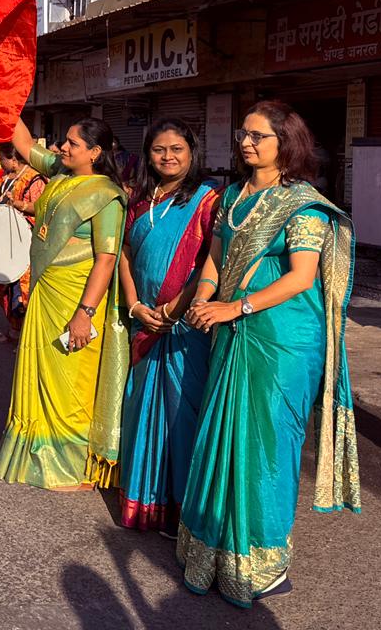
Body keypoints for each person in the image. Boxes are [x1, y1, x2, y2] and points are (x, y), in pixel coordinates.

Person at [179, 101, 358, 606]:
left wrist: (235, 307)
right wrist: (202, 296)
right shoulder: (233, 196)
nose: (246, 143)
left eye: (258, 135)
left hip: (282, 340)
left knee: (266, 449)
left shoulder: (302, 204)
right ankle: (213, 550)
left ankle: (263, 562)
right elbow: (215, 259)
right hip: (233, 330)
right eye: (243, 134)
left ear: (287, 143)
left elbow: (302, 276)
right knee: (222, 437)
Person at [0, 117, 127, 492]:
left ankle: (70, 466)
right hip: (47, 289)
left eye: (72, 143)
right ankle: (37, 455)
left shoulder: (105, 195)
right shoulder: (62, 173)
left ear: (95, 153)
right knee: (41, 373)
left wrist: (84, 314)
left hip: (76, 298)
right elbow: (21, 141)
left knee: (71, 380)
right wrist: (4, 96)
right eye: (64, 141)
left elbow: (106, 258)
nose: (62, 148)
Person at [116, 119, 220, 535]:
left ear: (192, 152)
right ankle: (148, 503)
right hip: (144, 321)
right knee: (142, 407)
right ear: (148, 155)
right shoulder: (140, 198)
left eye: (177, 149)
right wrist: (134, 303)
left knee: (182, 412)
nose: (168, 157)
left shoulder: (207, 200)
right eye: (159, 149)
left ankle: (183, 511)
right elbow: (123, 252)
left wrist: (177, 306)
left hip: (184, 327)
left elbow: (214, 260)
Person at [0, 142, 47, 342]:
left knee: (22, 290)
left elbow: (41, 207)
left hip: (26, 239)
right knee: (7, 286)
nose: (0, 163)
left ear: (14, 160)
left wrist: (18, 204)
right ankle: (13, 332)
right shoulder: (10, 177)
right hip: (9, 238)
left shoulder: (34, 178)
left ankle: (25, 337)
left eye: (2, 159)